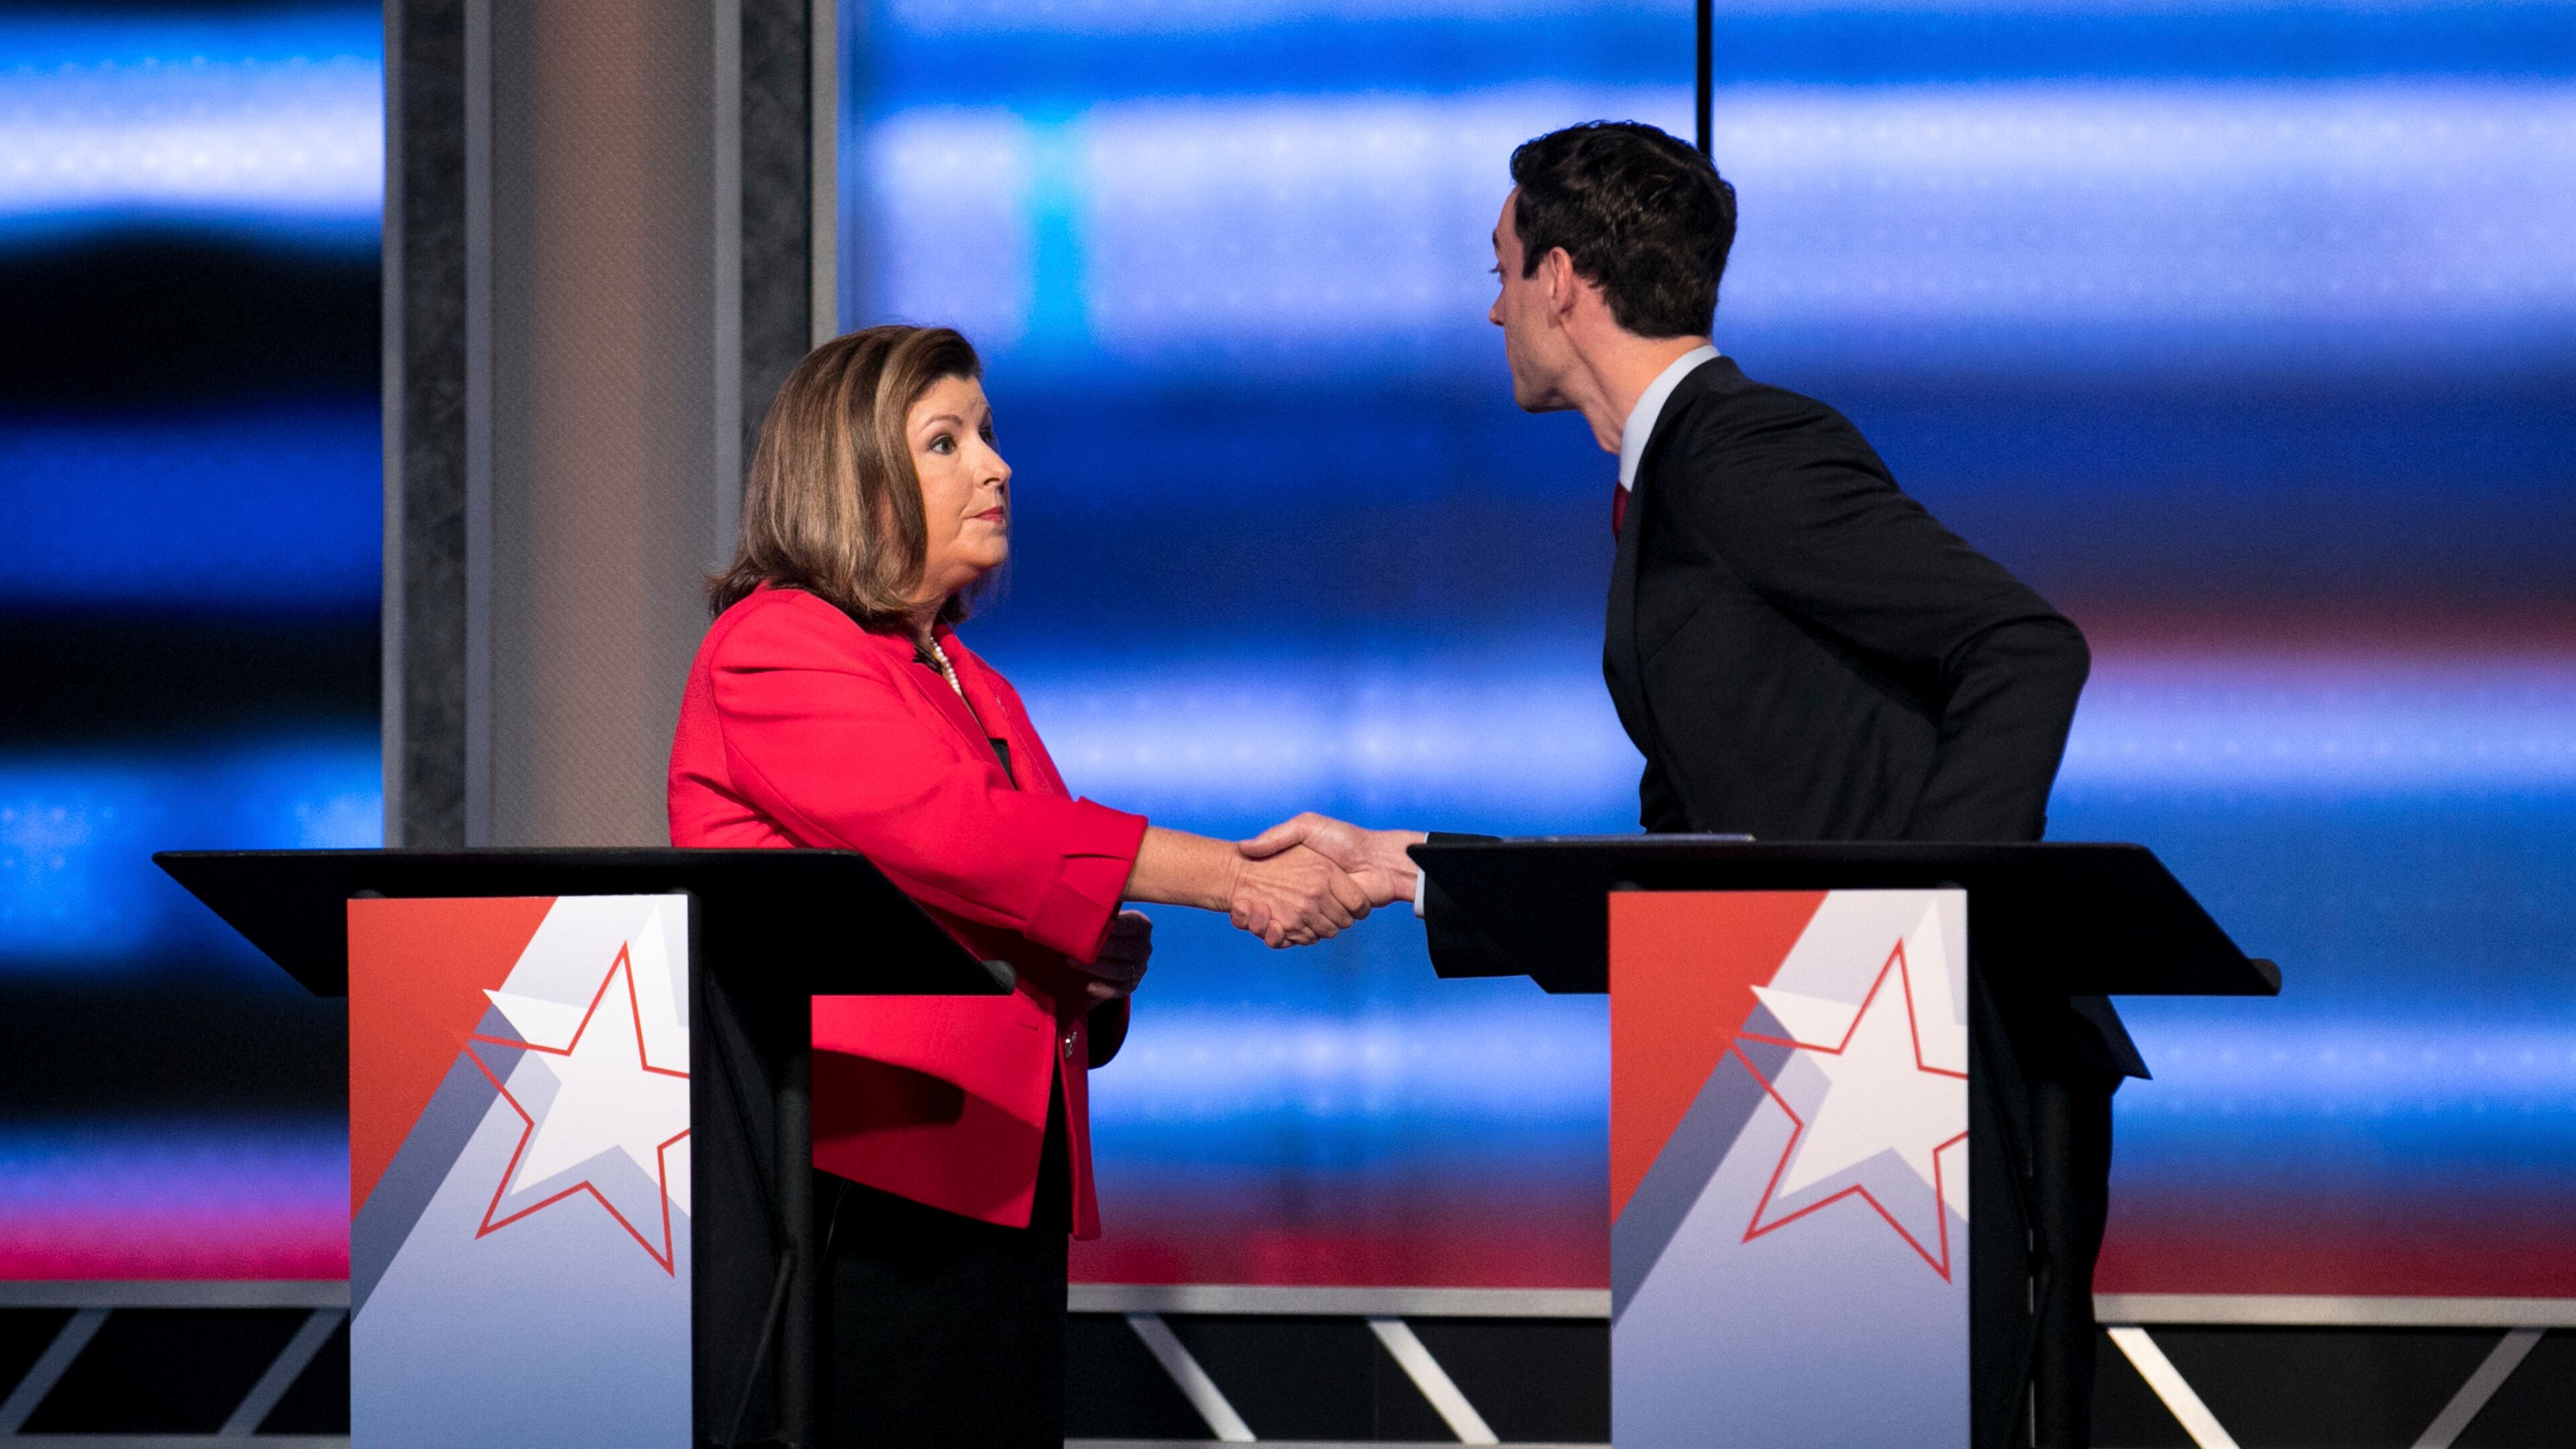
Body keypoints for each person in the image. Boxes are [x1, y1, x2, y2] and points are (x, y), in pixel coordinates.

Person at [1240, 121, 2139, 1447]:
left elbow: (2021, 645)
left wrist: (1924, 929)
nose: (1490, 311)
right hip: (1783, 1063)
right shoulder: (1673, 486)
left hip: (1890, 1079)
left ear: (1560, 280)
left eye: (1497, 274)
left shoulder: (1739, 450)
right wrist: (1413, 867)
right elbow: (1714, 847)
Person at [668, 324, 1371, 1448]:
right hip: (853, 1191)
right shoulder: (776, 644)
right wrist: (1231, 877)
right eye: (945, 441)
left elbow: (1014, 883)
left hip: (988, 1174)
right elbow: (964, 838)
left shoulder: (969, 680)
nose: (994, 466)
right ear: (853, 474)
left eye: (987, 435)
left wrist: (1090, 970)